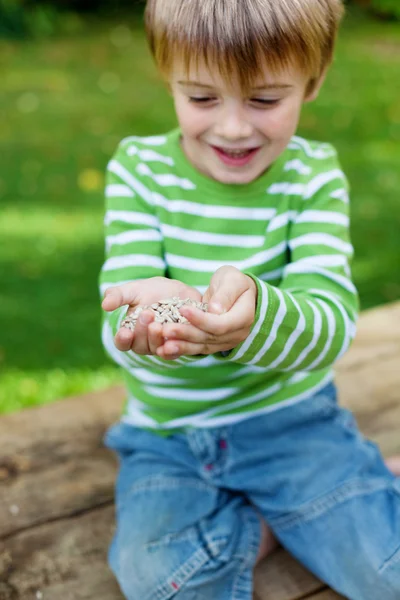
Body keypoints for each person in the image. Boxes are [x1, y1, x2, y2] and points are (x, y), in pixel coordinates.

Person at [99, 1, 400, 598]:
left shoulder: (312, 178)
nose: (233, 129)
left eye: (264, 100)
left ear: (311, 82)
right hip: (168, 438)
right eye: (202, 98)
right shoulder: (140, 171)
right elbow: (122, 325)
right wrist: (164, 321)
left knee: (387, 571)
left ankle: (337, 499)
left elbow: (330, 325)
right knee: (160, 581)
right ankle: (281, 521)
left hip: (292, 422)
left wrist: (257, 317)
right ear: (169, 78)